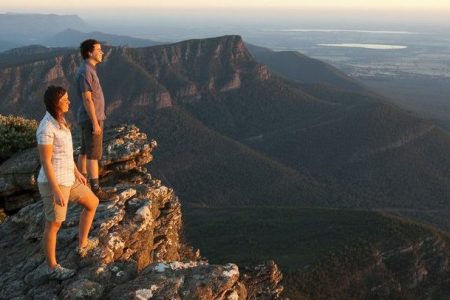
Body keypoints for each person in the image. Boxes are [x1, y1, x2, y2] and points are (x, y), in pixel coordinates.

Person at [37, 86, 99, 280]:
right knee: (54, 224)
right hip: (54, 182)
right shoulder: (46, 128)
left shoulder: (61, 121)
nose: (69, 101)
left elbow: (65, 151)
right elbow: (46, 161)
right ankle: (52, 267)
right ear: (56, 103)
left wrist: (75, 172)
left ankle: (83, 244)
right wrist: (55, 190)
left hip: (69, 178)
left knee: (92, 203)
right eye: (65, 99)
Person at [76, 39, 108, 200]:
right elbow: (87, 99)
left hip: (87, 118)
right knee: (93, 155)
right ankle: (95, 189)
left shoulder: (89, 69)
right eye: (99, 49)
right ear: (90, 52)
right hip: (91, 118)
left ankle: (82, 184)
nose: (102, 52)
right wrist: (95, 122)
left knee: (83, 151)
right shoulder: (86, 72)